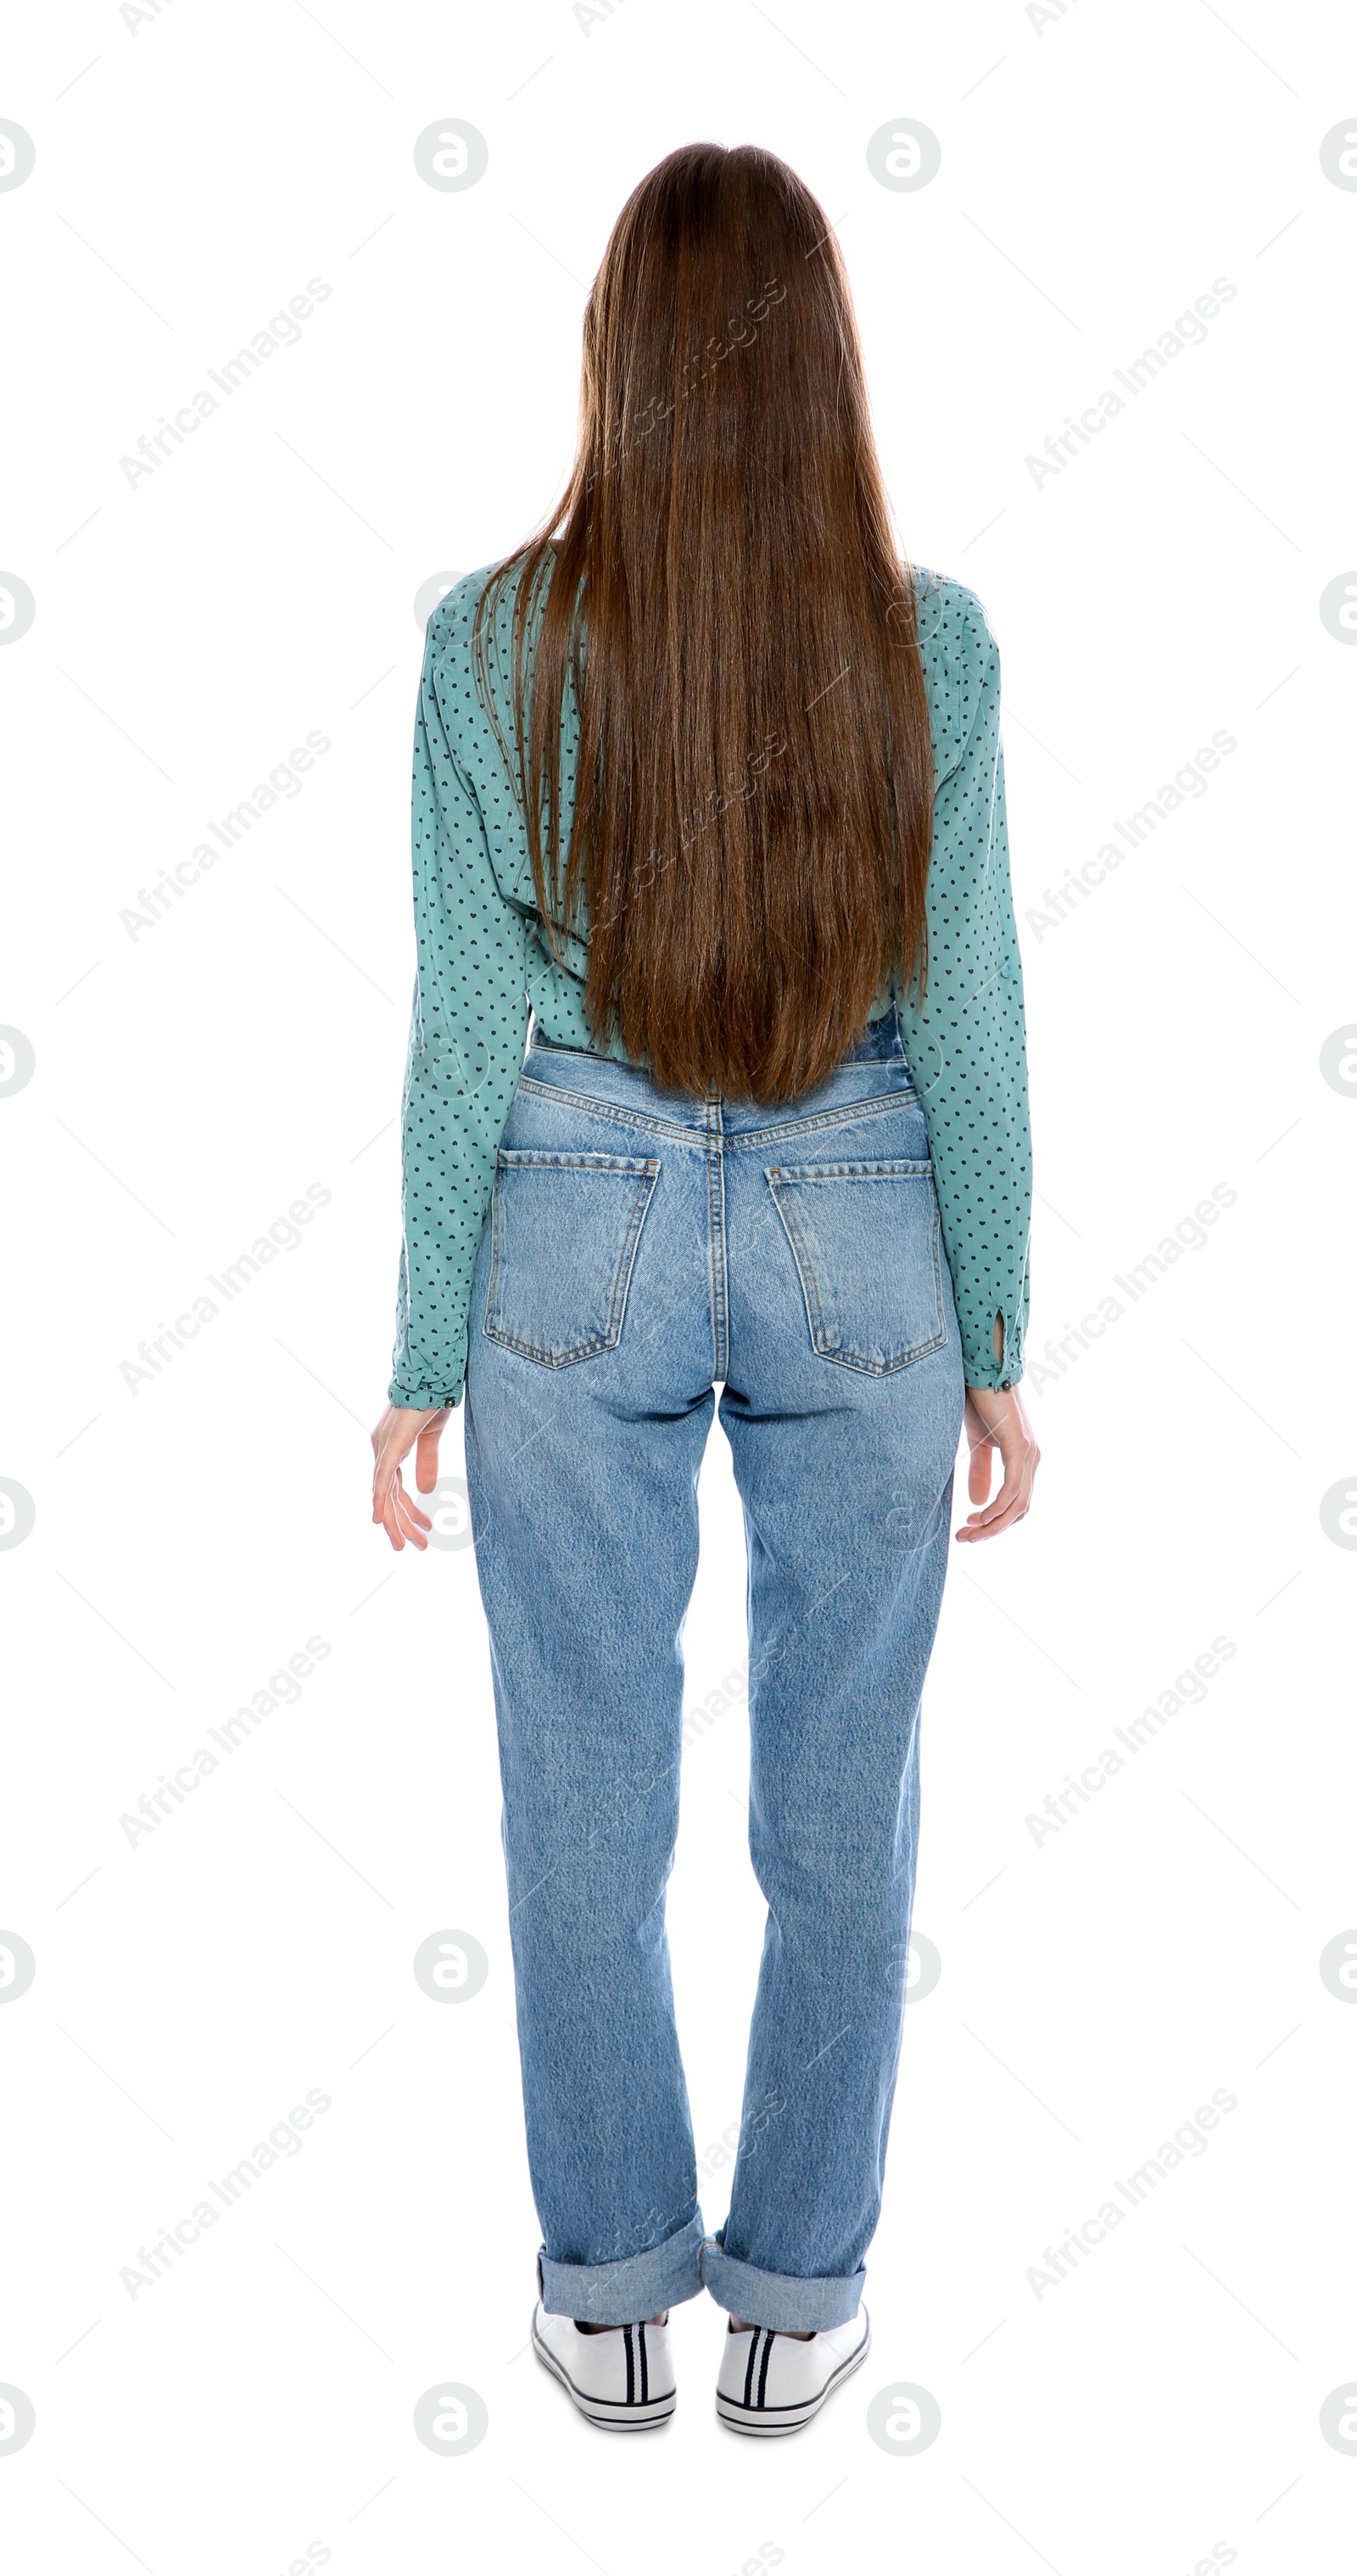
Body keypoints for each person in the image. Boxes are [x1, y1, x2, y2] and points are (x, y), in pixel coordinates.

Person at [371, 140, 1037, 2438]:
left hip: (577, 1207)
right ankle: (799, 2289)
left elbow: (469, 1019)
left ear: (617, 359)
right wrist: (1006, 1329)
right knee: (846, 1795)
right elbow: (971, 1012)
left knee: (579, 1779)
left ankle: (607, 2289)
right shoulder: (924, 639)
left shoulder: (488, 638)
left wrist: (420, 1357)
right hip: (866, 1201)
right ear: (824, 365)